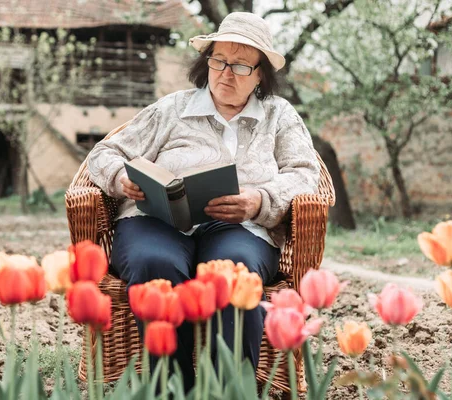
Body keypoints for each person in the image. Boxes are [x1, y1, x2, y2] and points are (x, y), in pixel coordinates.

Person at [86, 12, 320, 389]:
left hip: (238, 225)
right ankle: (172, 388)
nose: (226, 73)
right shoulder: (172, 108)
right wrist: (121, 176)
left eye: (241, 65)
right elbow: (103, 154)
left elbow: (306, 174)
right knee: (154, 263)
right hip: (156, 220)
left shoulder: (279, 116)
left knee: (233, 272)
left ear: (261, 74)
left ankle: (227, 390)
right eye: (218, 60)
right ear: (206, 62)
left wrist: (259, 201)